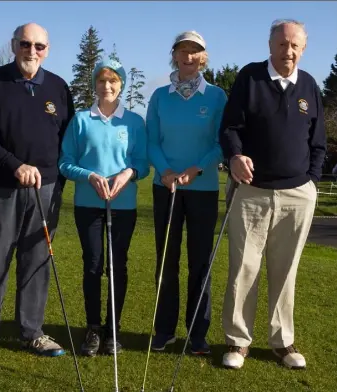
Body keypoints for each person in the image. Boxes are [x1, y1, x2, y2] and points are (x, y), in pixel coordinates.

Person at [219, 19, 326, 369]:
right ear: (270, 45)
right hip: (250, 192)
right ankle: (238, 342)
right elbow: (230, 128)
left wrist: (310, 181)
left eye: (295, 45)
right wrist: (235, 156)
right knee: (244, 269)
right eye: (282, 44)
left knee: (286, 270)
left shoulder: (309, 86)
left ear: (304, 49)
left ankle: (283, 342)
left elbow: (318, 142)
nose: (289, 51)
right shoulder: (250, 78)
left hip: (297, 195)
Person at [0, 23, 75, 366]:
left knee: (37, 261)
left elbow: (68, 139)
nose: (31, 51)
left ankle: (32, 331)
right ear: (13, 45)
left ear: (47, 50)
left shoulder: (59, 87)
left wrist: (57, 180)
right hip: (0, 188)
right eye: (25, 44)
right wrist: (13, 164)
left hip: (46, 191)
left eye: (38, 46)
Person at [59, 58, 149, 356]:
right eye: (102, 81)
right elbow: (66, 163)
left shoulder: (134, 122)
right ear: (95, 84)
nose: (107, 86)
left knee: (117, 266)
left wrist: (128, 173)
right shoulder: (82, 120)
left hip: (123, 205)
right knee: (93, 265)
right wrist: (90, 176)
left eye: (113, 81)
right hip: (88, 204)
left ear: (121, 85)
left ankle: (113, 329)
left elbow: (142, 164)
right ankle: (93, 329)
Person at [147, 31, 227, 355]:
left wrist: (197, 168)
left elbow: (222, 143)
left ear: (203, 57)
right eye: (183, 50)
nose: (189, 56)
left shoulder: (217, 97)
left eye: (195, 51)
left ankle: (196, 333)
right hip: (165, 188)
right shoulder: (159, 96)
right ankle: (164, 331)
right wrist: (165, 171)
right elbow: (152, 140)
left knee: (199, 263)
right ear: (175, 55)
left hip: (202, 187)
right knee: (167, 261)